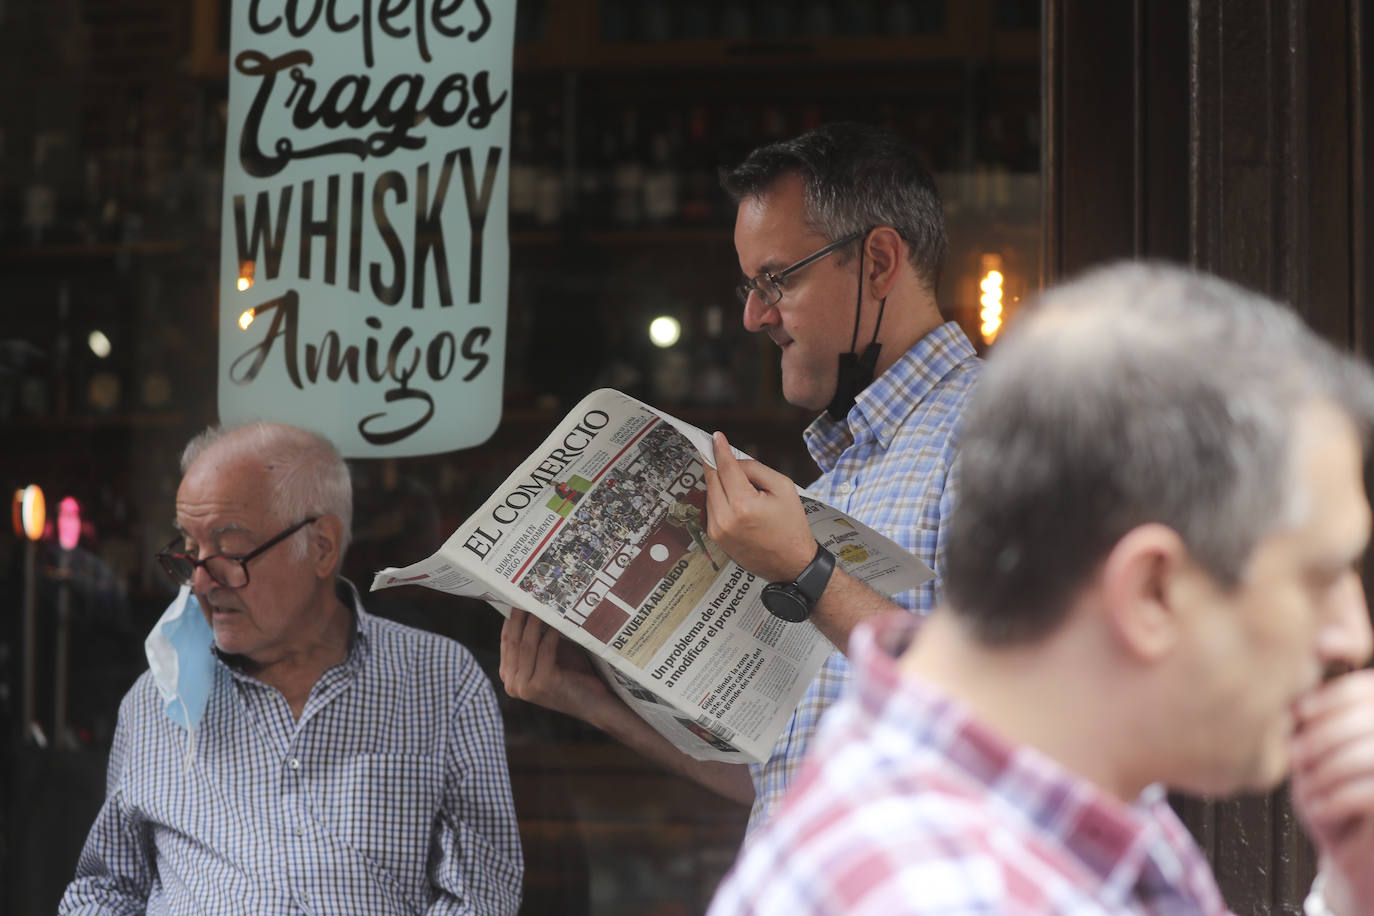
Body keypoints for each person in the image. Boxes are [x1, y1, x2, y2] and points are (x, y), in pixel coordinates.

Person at [707, 261, 1374, 915]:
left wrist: (1350, 888)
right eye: (1318, 577)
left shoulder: (1070, 796)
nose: (1354, 634)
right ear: (1152, 592)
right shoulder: (953, 893)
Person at [500, 122, 981, 828]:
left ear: (878, 262)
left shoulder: (1000, 432)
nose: (756, 316)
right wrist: (585, 697)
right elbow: (780, 776)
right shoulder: (839, 476)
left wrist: (806, 571)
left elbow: (1004, 710)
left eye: (777, 280)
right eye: (750, 285)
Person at [59, 422, 523, 914]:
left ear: (321, 547)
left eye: (230, 552)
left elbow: (479, 896)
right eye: (190, 552)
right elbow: (106, 889)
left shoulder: (441, 682)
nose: (200, 581)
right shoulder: (156, 700)